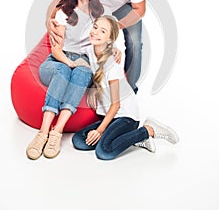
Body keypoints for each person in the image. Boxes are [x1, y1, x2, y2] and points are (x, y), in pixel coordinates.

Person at [26, 0, 120, 160]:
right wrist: (71, 63)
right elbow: (56, 51)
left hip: (83, 60)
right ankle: (43, 132)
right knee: (62, 71)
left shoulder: (99, 11)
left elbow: (105, 36)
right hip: (57, 61)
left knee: (83, 72)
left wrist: (113, 49)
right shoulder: (64, 13)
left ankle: (56, 132)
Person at [72, 15, 179, 160]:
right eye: (95, 27)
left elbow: (116, 105)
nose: (95, 32)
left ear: (109, 39)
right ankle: (134, 139)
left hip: (125, 116)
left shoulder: (112, 65)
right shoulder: (91, 50)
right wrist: (92, 87)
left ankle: (147, 130)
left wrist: (99, 130)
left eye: (103, 31)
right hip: (108, 116)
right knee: (78, 140)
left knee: (104, 152)